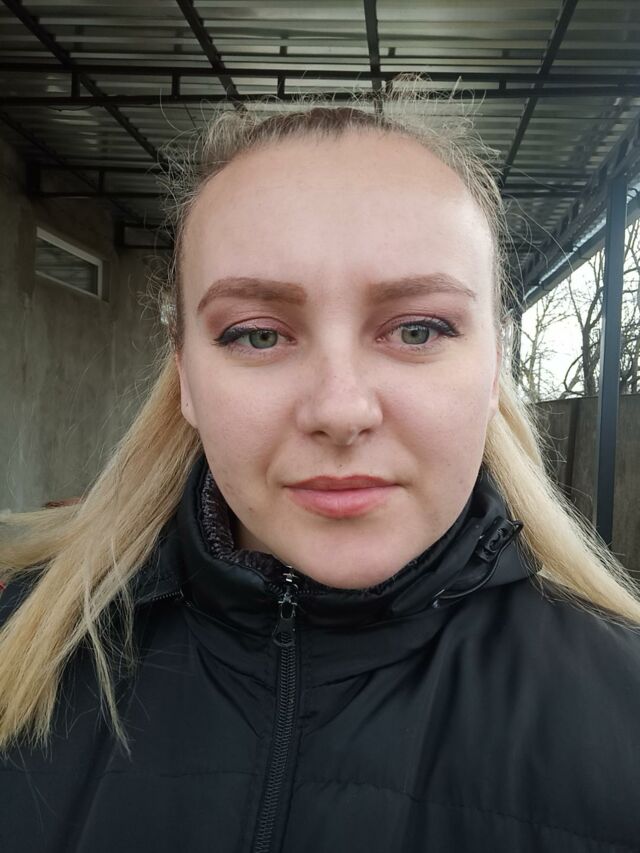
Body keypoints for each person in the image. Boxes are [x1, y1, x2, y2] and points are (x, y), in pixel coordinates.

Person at [1, 96, 640, 853]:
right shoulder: (22, 651)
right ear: (184, 373)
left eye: (418, 328)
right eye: (258, 335)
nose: (341, 410)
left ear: (496, 362)